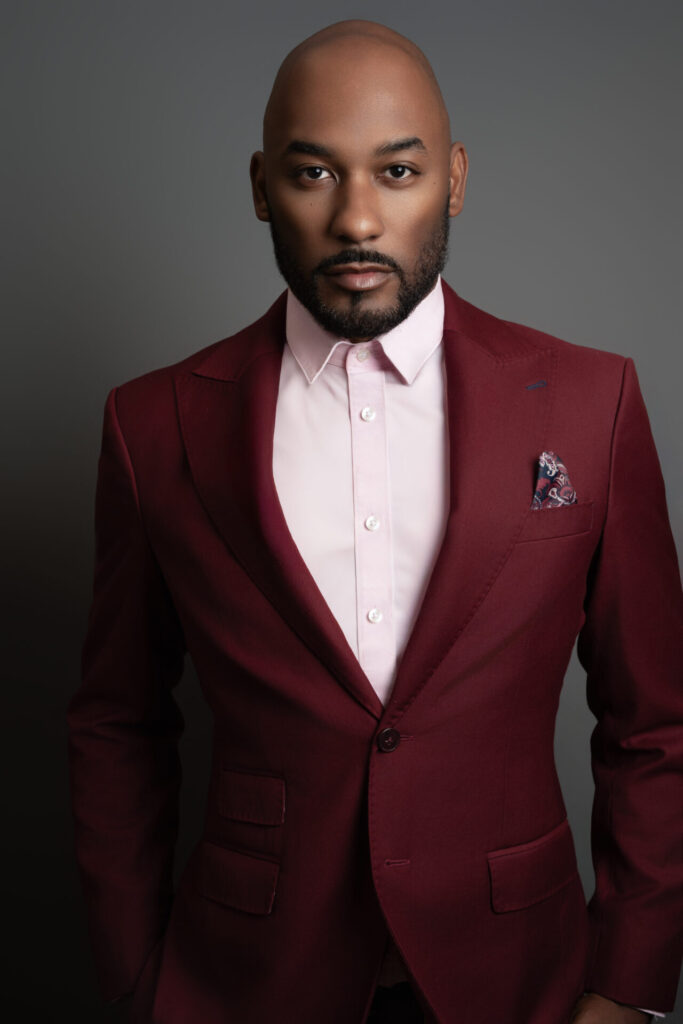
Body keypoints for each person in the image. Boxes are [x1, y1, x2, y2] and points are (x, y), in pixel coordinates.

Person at [66, 19, 683, 1024]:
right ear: (261, 185)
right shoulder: (153, 426)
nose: (356, 219)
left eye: (395, 173)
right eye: (314, 174)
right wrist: (140, 981)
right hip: (246, 985)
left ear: (453, 178)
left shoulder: (588, 403)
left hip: (521, 980)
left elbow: (654, 724)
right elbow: (116, 724)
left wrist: (628, 983)